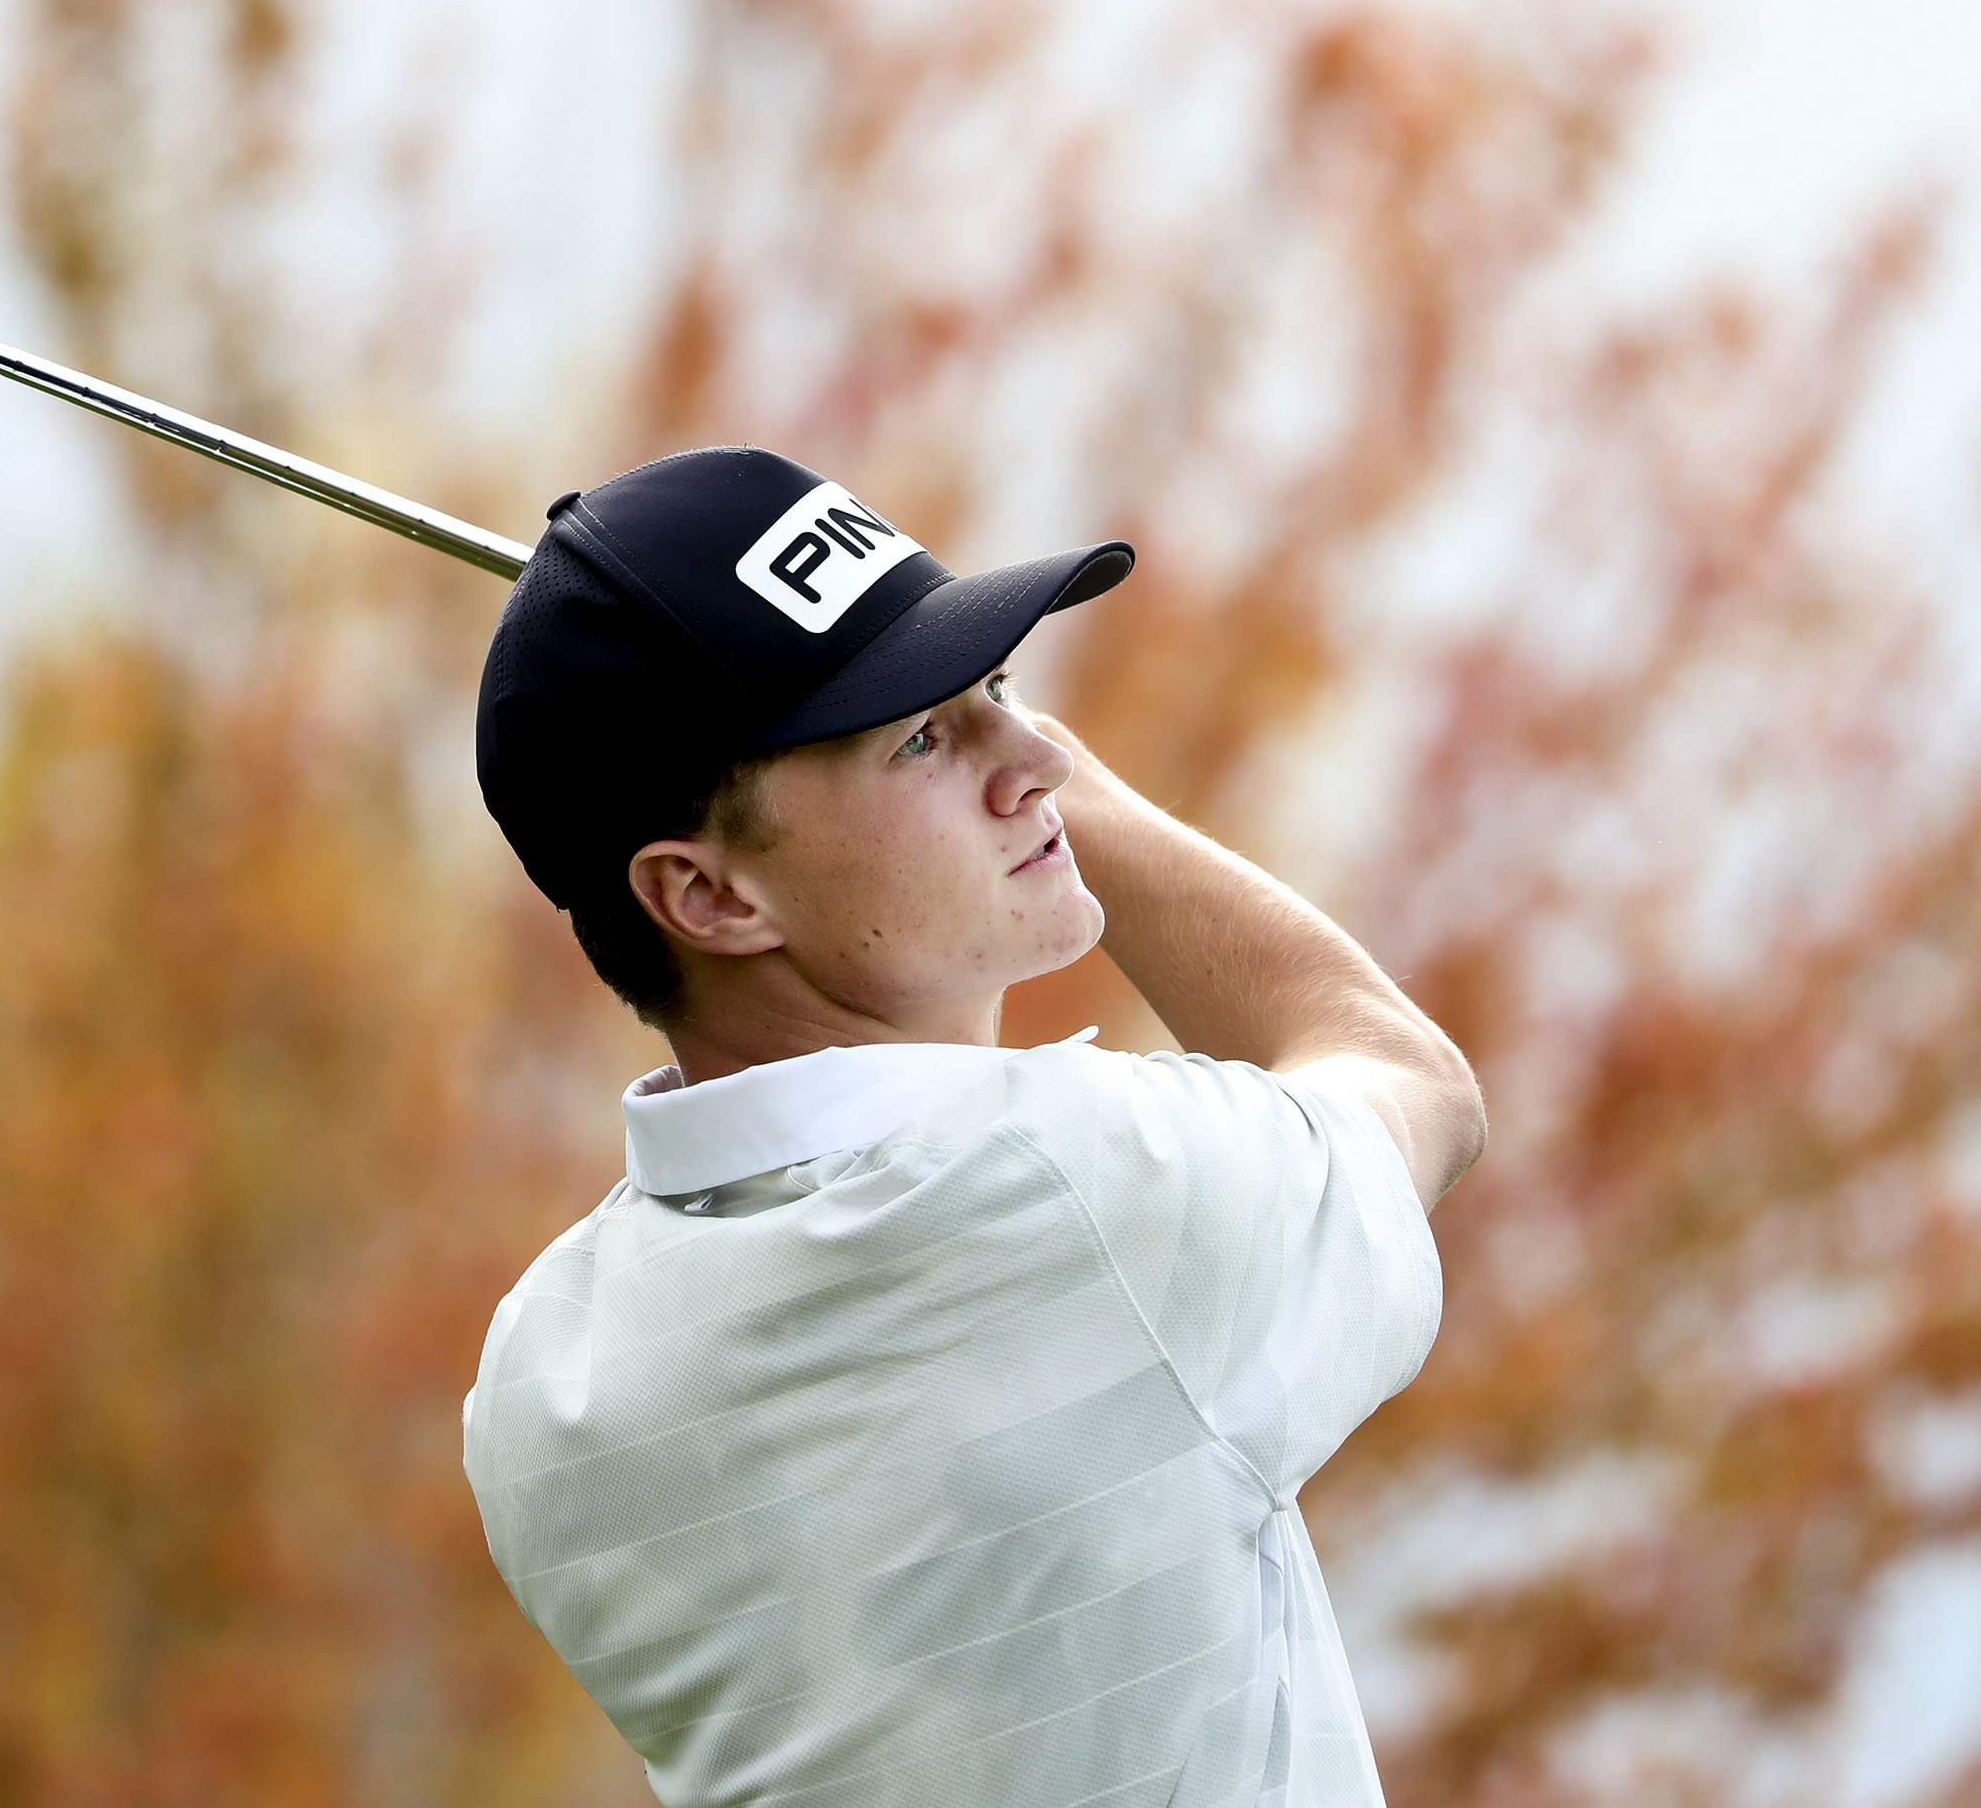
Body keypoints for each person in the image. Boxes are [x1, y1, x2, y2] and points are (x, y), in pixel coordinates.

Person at [463, 447, 1486, 1808]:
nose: (1040, 757)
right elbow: (1406, 1076)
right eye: (924, 738)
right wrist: (1096, 809)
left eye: (995, 686)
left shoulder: (541, 1384)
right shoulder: (1090, 1195)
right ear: (707, 900)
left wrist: (968, 741)